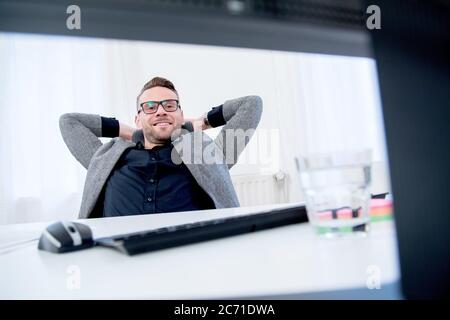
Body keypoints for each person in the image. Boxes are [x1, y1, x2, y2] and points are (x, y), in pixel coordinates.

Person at [60, 76, 263, 218]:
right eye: (150, 107)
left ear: (181, 115)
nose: (160, 111)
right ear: (138, 118)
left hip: (193, 259)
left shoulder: (207, 155)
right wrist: (137, 132)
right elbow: (69, 121)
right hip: (119, 264)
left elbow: (251, 105)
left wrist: (195, 125)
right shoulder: (107, 159)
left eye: (169, 105)